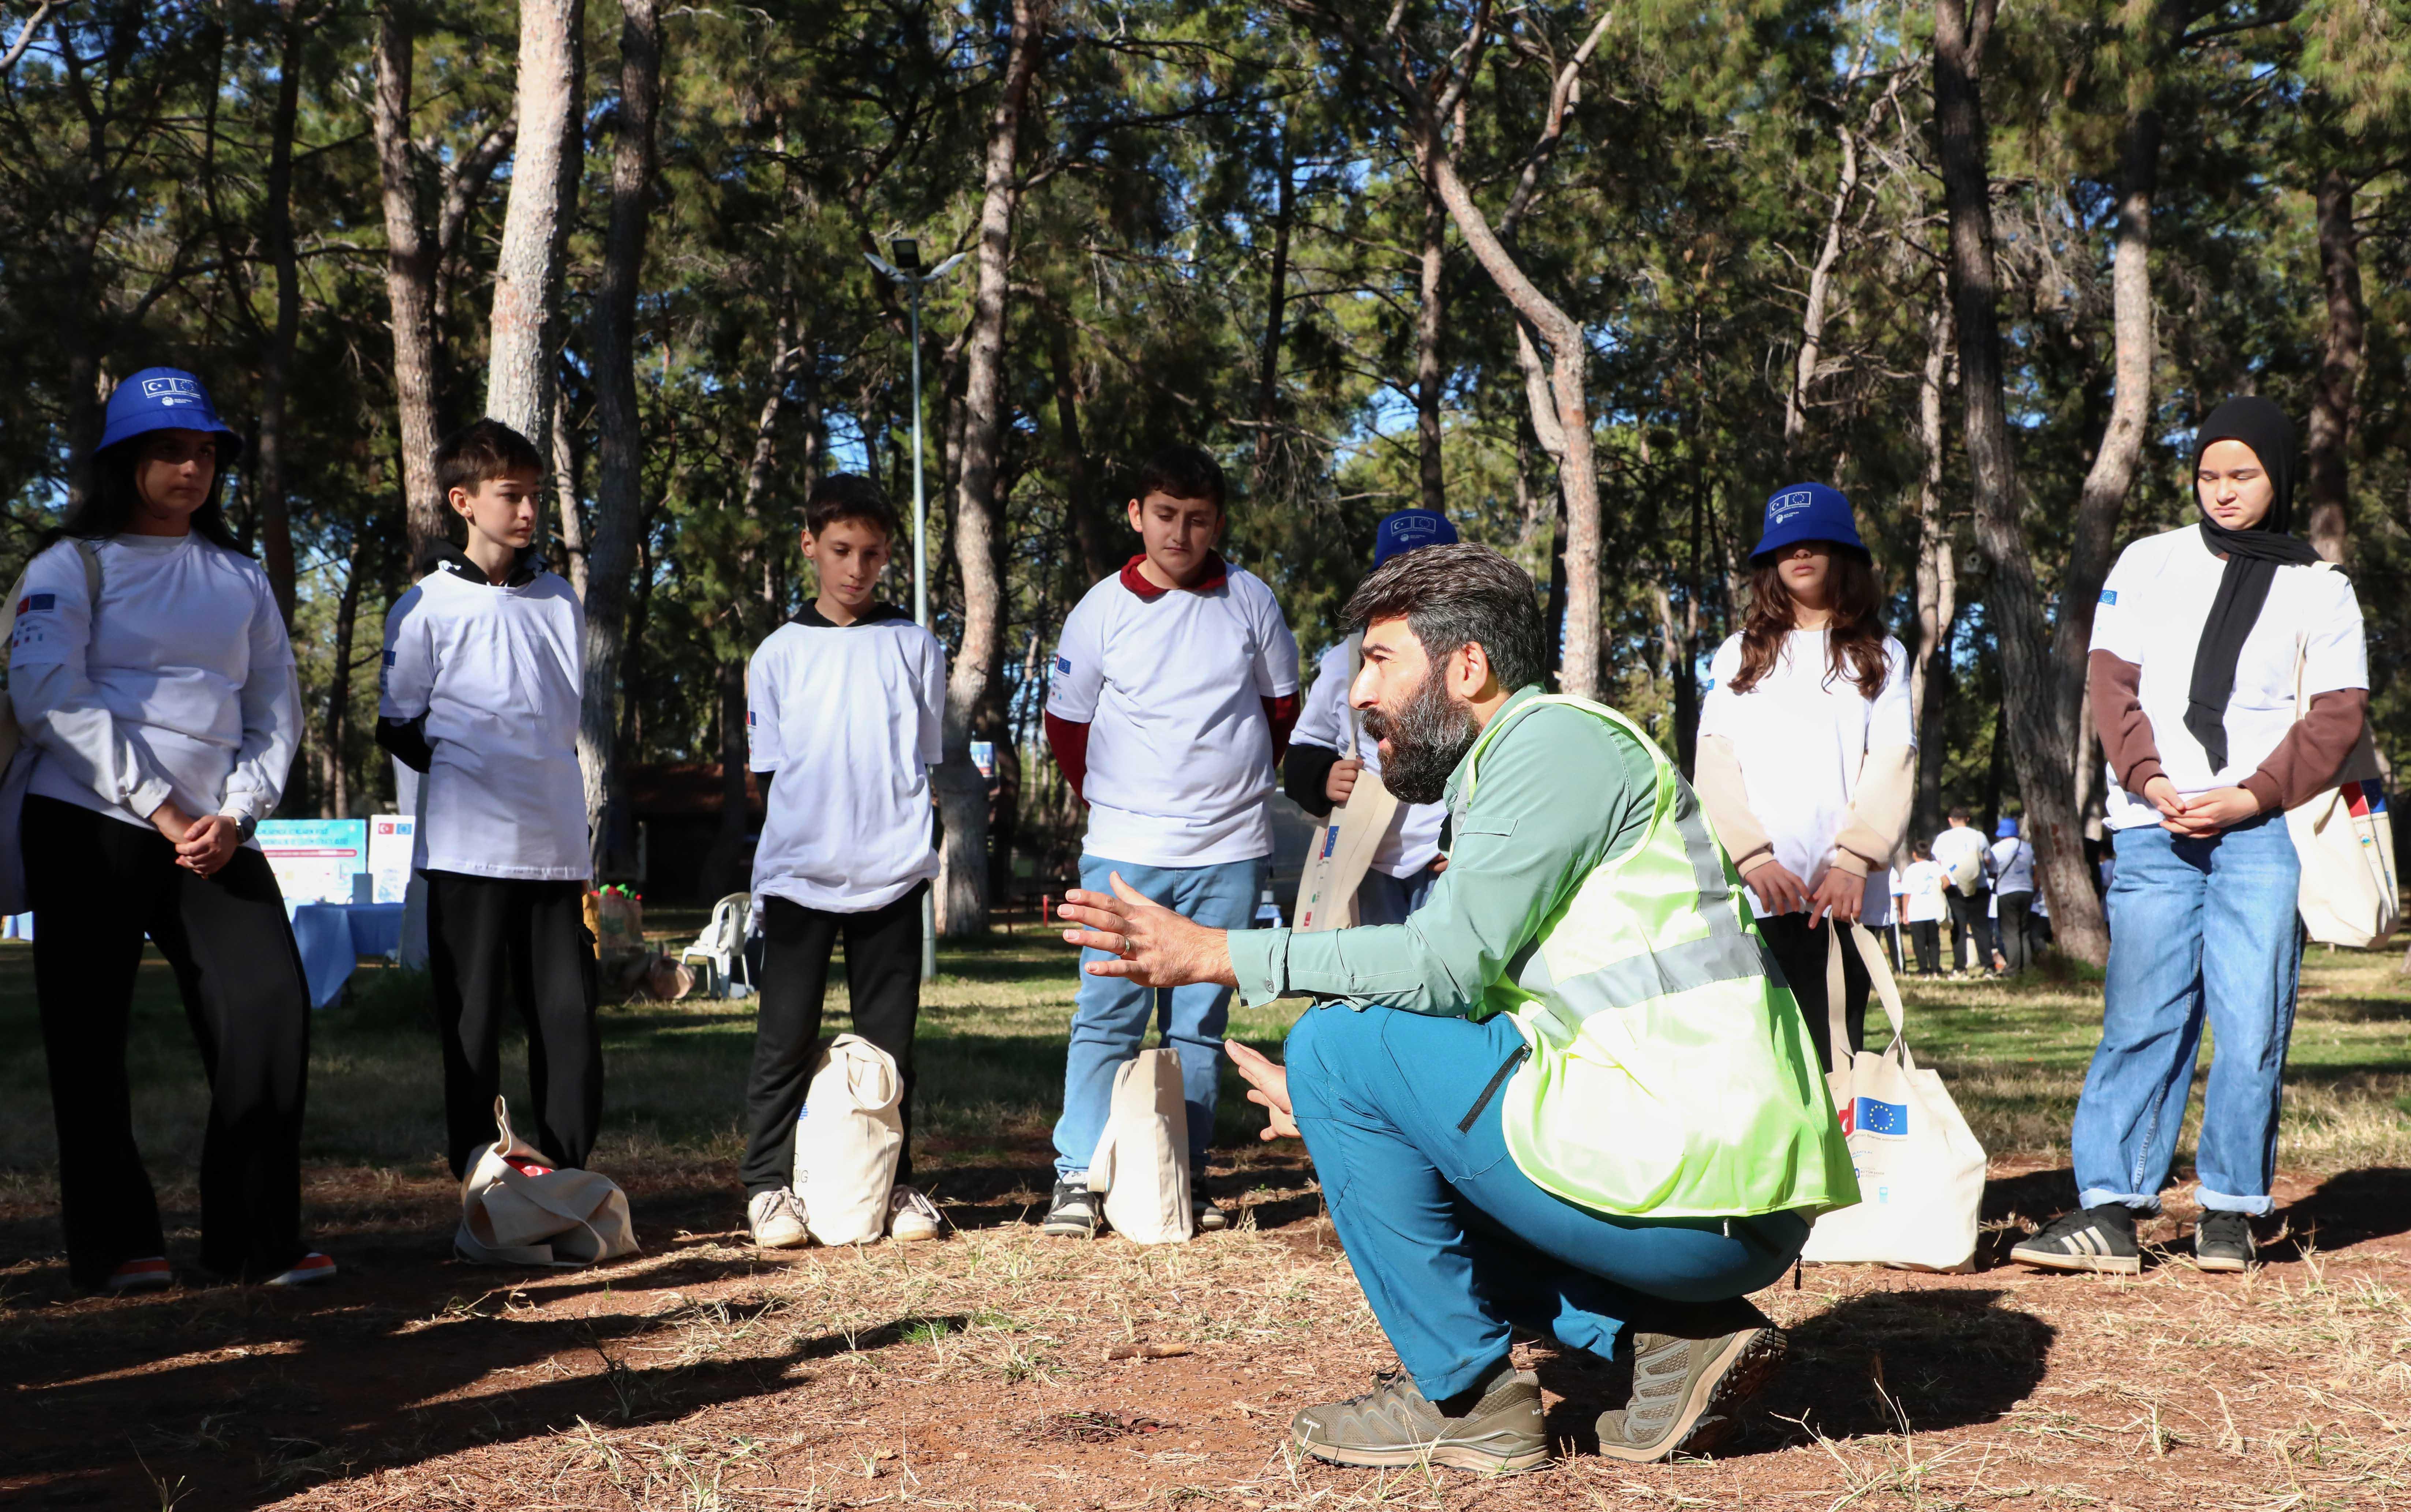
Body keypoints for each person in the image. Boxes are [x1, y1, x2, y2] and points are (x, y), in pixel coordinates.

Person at [1059, 543, 1853, 1470]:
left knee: (1336, 1044)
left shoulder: (1552, 744)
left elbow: (1442, 964)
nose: (1358, 692)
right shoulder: (1523, 766)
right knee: (1345, 1069)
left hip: (1700, 1184)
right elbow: (1481, 997)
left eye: (1380, 660)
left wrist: (1219, 955)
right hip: (1705, 1189)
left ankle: (1467, 1399)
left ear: (1466, 665)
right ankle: (1673, 1342)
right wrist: (1329, 1098)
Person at [2014, 397, 2366, 1276]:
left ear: (2277, 477)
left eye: (2242, 474)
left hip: (2263, 831)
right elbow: (2112, 684)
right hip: (2153, 825)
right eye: (2208, 475)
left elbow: (2335, 717)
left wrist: (2248, 796)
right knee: (2143, 1017)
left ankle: (2230, 1210)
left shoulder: (2319, 587)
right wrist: (2154, 782)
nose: (2222, 491)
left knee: (2251, 1022)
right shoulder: (2148, 561)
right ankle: (2111, 1209)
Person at [13, 368, 329, 1292]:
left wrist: (234, 813)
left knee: (267, 1010)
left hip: (216, 836)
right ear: (123, 463)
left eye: (203, 453)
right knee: (88, 1035)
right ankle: (119, 1245)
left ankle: (255, 1239)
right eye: (167, 451)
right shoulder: (67, 567)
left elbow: (278, 708)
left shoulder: (239, 576)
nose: (190, 469)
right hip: (89, 823)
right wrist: (161, 804)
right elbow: (47, 695)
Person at [1040, 445, 1300, 1238]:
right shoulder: (1100, 609)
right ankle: (1079, 1176)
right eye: (1165, 516)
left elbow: (1279, 709)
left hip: (1229, 851)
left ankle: (1179, 1171)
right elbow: (1067, 724)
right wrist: (1124, 805)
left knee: (1198, 1026)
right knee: (1108, 1016)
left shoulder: (1252, 600)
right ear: (1136, 516)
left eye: (1197, 519)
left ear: (1217, 522)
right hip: (1125, 852)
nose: (1180, 534)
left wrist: (1224, 798)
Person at [378, 420, 601, 1193]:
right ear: (464, 501)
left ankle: (573, 1175)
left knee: (568, 1020)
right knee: (472, 1025)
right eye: (512, 495)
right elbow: (398, 724)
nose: (529, 510)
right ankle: (478, 1176)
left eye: (537, 494)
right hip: (467, 852)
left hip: (555, 848)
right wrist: (475, 775)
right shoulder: (424, 605)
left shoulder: (559, 600)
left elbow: (561, 718)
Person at [736, 475, 947, 1248]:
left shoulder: (917, 645)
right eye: (840, 551)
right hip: (799, 879)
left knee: (891, 1048)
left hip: (892, 874)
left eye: (872, 553)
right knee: (784, 1037)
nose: (856, 568)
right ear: (810, 546)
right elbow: (769, 771)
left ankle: (893, 1187)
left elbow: (923, 758)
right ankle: (766, 1185)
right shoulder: (778, 653)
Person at [1695, 483, 1913, 1072]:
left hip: (1843, 895)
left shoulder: (1882, 653)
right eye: (1785, 543)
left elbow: (1892, 760)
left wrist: (1854, 861)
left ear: (1843, 552)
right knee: (1762, 1062)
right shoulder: (1738, 653)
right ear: (1770, 561)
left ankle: (1840, 1166)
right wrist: (1752, 858)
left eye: (1816, 539)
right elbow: (1715, 764)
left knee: (1835, 1055)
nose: (1800, 552)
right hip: (1759, 892)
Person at [1283, 509, 1458, 924]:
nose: (1412, 594)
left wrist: (1470, 842)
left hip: (1445, 859)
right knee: (1370, 979)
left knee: (1448, 982)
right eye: (1397, 580)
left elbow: (1502, 757)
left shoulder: (1472, 662)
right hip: (1363, 860)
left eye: (1429, 581)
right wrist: (1322, 778)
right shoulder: (1344, 661)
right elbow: (1304, 746)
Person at [1931, 808, 1996, 975]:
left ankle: (1960, 967)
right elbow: (1988, 861)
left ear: (1950, 820)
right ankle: (1988, 965)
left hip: (1954, 888)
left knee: (1958, 928)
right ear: (1967, 819)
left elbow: (1938, 861)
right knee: (1981, 927)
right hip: (1979, 886)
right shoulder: (1979, 836)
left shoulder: (1942, 839)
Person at [1989, 817, 2037, 971]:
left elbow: (1993, 872)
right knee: (2024, 931)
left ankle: (2013, 969)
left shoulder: (1997, 849)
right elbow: (2037, 871)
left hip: (2007, 891)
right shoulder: (2029, 848)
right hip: (2027, 890)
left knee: (2010, 932)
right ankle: (2027, 966)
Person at [1896, 843, 1949, 976]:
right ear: (1929, 854)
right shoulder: (1935, 867)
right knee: (1934, 941)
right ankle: (1936, 968)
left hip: (1916, 911)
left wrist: (1905, 913)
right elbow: (1947, 882)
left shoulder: (1910, 870)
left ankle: (1924, 969)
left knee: (1919, 942)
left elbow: (1907, 894)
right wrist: (1939, 890)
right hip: (1933, 910)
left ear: (1914, 854)